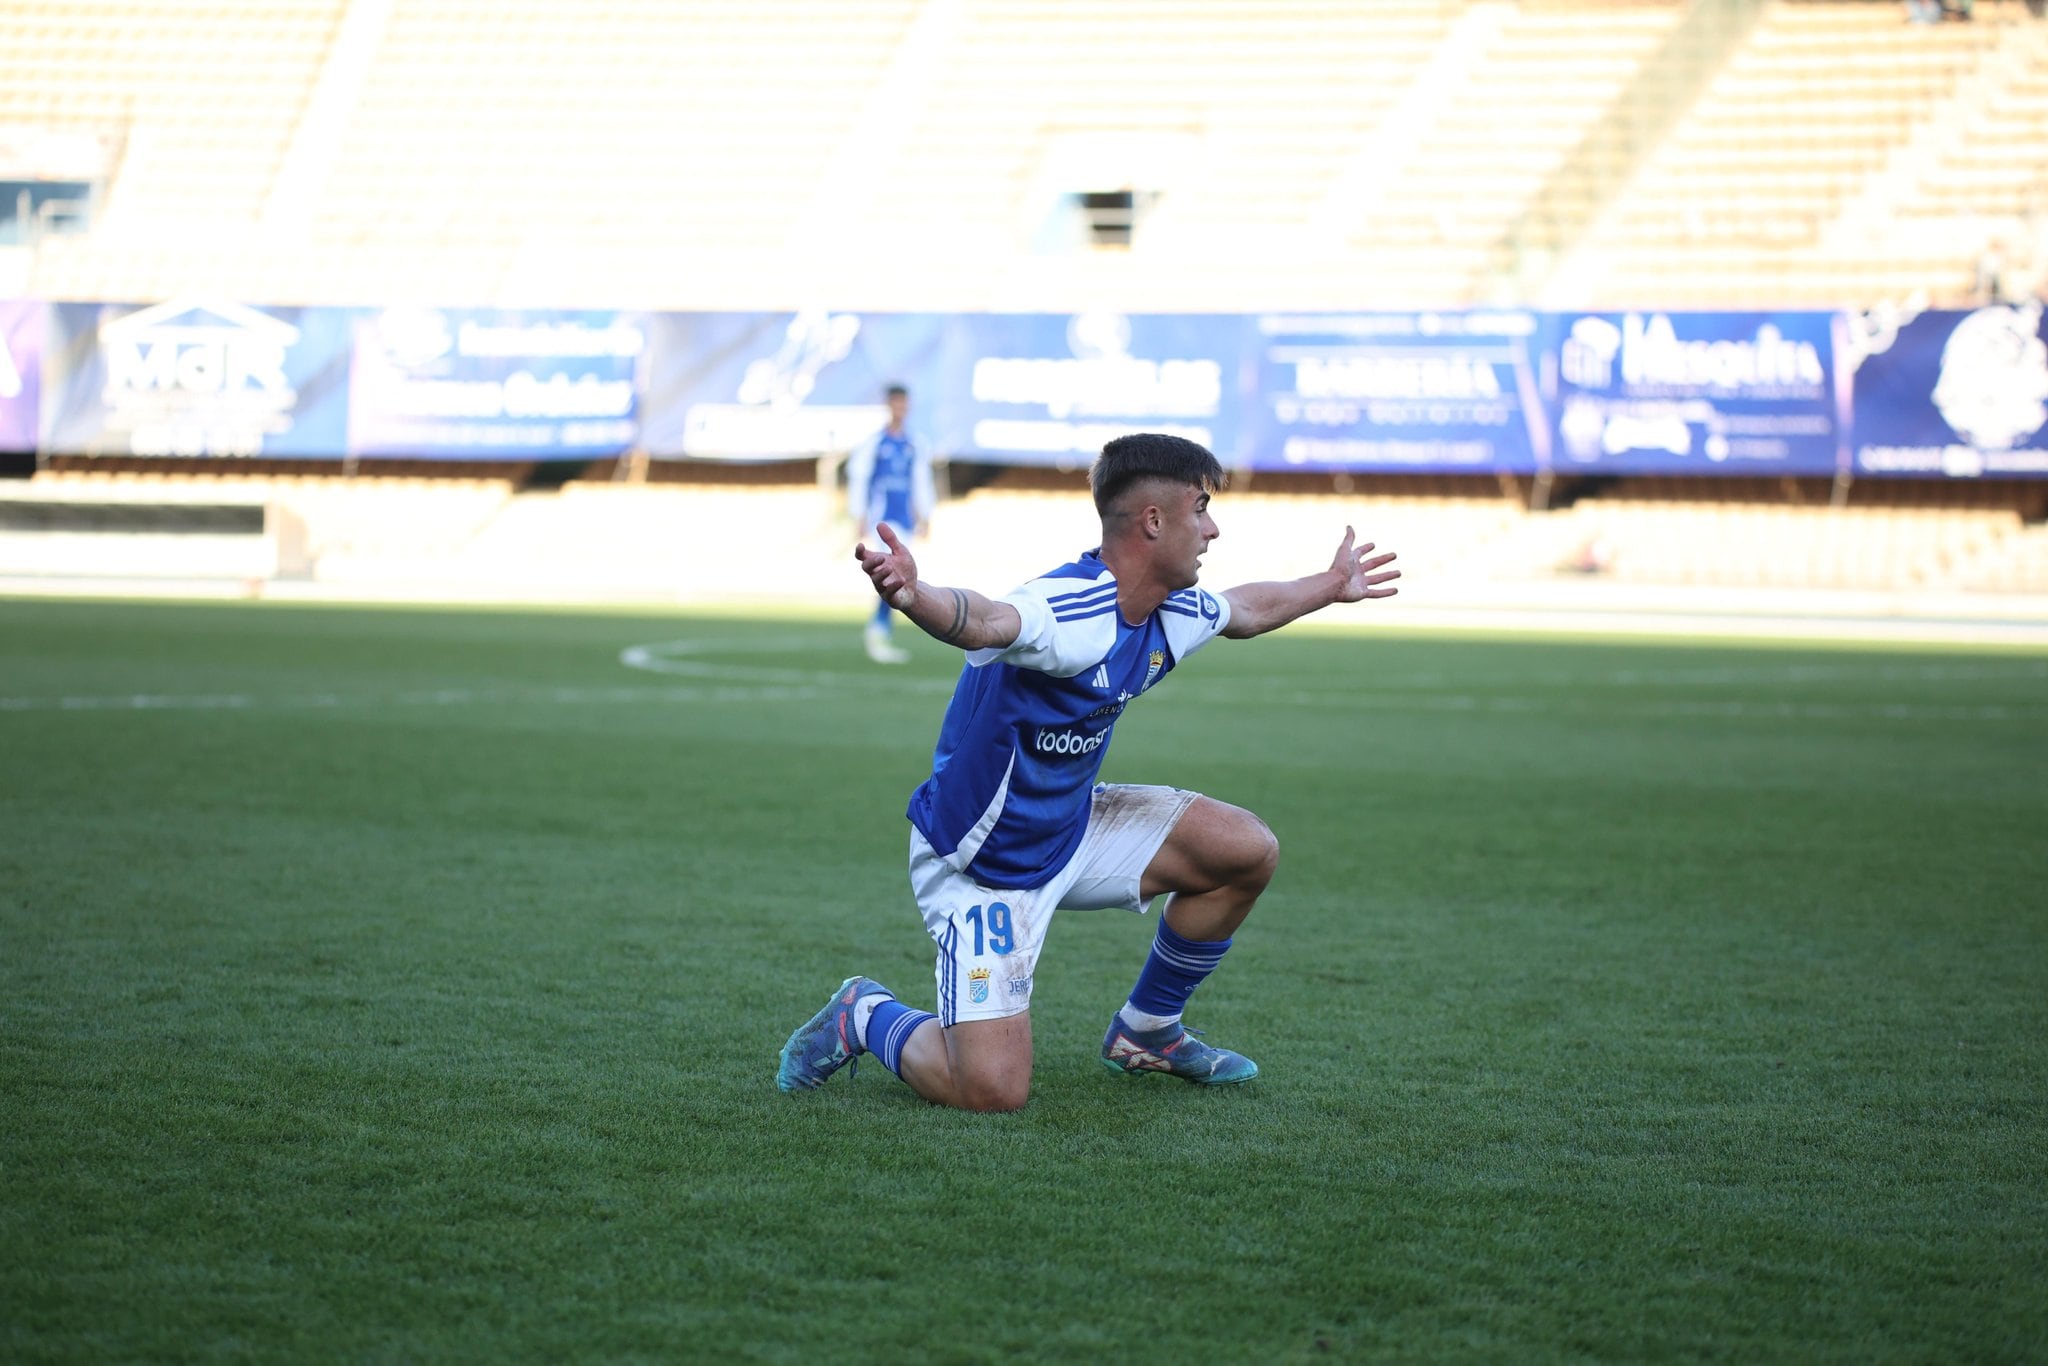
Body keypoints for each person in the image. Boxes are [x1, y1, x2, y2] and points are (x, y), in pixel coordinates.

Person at [776, 432, 1400, 1112]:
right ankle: (862, 1014)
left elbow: (1245, 610)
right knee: (988, 1090)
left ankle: (1148, 1032)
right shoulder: (1069, 610)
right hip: (984, 869)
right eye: (1202, 507)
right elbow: (984, 619)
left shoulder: (1170, 611)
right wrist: (913, 594)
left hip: (1071, 827)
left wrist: (1335, 584)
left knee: (1245, 850)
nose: (1213, 527)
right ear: (1154, 521)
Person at [843, 383, 934, 664]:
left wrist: (925, 514)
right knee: (892, 575)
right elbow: (859, 478)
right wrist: (859, 515)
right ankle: (878, 632)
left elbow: (921, 481)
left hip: (904, 519)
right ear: (889, 405)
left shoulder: (914, 444)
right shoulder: (875, 443)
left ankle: (881, 630)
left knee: (901, 575)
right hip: (882, 520)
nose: (900, 409)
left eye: (904, 404)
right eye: (896, 403)